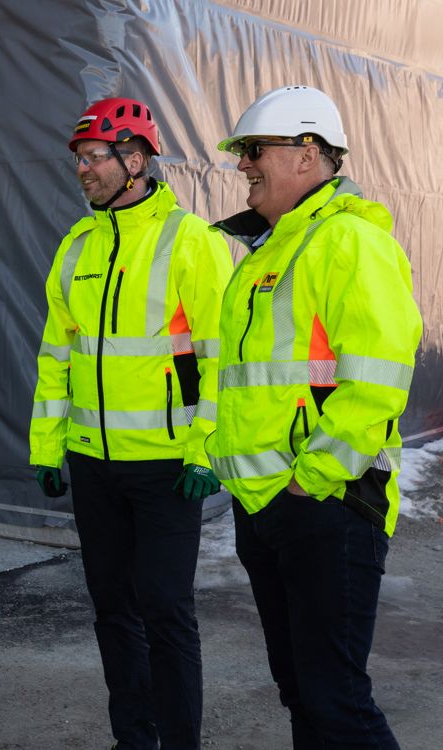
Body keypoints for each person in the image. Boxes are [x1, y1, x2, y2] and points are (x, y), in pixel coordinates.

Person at [209, 85, 421, 750]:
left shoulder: (350, 241)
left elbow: (379, 380)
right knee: (302, 691)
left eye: (254, 150)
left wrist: (312, 480)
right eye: (242, 153)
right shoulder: (266, 254)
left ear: (308, 153)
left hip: (327, 508)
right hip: (268, 507)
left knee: (335, 702)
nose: (243, 164)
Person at [28, 97, 233, 750]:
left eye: (94, 158)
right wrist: (47, 445)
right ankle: (134, 740)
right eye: (80, 159)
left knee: (167, 613)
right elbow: (57, 355)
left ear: (136, 160)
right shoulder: (75, 247)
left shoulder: (191, 242)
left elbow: (221, 357)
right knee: (113, 611)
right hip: (93, 464)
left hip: (168, 469)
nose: (83, 170)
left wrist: (207, 452)